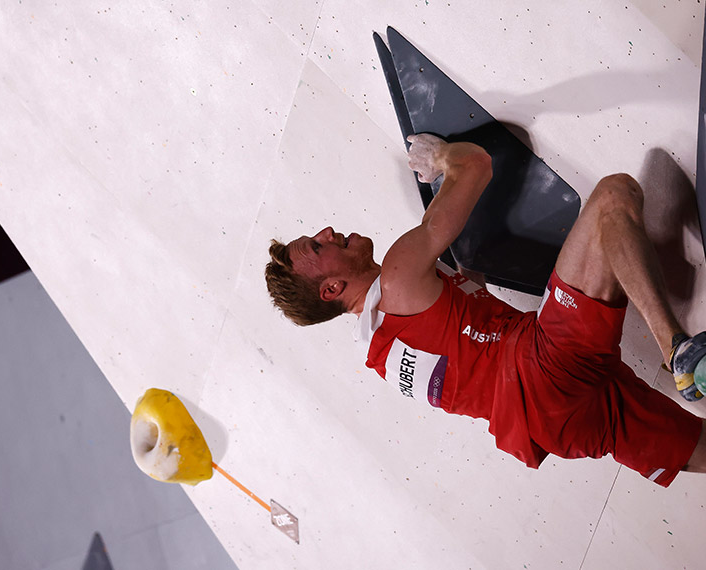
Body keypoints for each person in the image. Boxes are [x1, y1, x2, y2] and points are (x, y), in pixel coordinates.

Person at [265, 133, 706, 487]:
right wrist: (440, 157)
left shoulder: (382, 350)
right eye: (317, 246)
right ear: (333, 289)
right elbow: (475, 164)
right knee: (614, 197)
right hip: (542, 368)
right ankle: (676, 349)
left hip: (555, 426)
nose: (327, 232)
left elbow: (465, 345)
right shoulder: (398, 275)